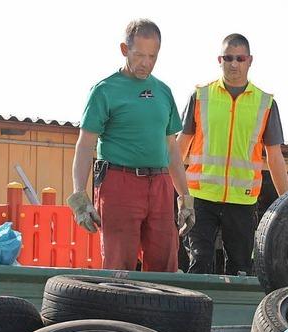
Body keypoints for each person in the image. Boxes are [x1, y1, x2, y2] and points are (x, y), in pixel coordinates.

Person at [67, 18, 195, 272]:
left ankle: (162, 313)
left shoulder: (163, 91)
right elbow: (85, 146)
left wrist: (185, 198)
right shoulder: (104, 90)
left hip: (159, 185)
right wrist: (79, 198)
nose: (145, 63)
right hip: (119, 184)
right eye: (138, 55)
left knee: (165, 267)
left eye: (152, 56)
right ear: (125, 50)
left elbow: (172, 149)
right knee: (119, 266)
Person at [177, 33, 288, 275]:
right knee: (199, 264)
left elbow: (275, 156)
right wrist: (173, 192)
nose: (234, 64)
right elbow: (180, 147)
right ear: (219, 59)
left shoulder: (265, 103)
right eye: (228, 58)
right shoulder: (200, 96)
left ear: (250, 60)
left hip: (242, 200)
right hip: (200, 198)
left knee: (240, 268)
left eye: (240, 58)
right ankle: (197, 313)